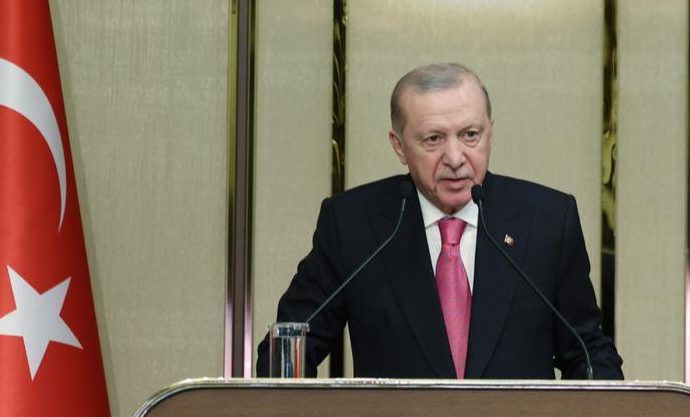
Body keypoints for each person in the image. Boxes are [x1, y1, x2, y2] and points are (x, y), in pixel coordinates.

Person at [256, 63, 623, 379]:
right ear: (399, 146)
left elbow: (587, 351)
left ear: (490, 133)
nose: (455, 157)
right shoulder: (354, 225)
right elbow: (287, 353)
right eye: (433, 139)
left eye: (470, 135)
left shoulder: (546, 221)